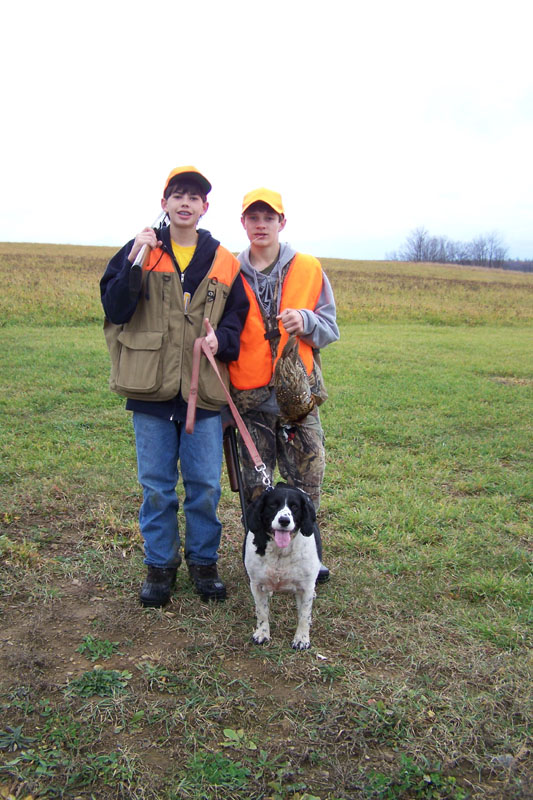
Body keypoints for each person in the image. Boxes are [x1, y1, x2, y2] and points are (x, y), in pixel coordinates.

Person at [100, 166, 249, 607]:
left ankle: (204, 563)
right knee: (157, 487)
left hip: (203, 392)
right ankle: (160, 566)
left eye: (194, 197)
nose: (186, 203)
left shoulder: (225, 261)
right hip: (150, 391)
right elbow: (115, 306)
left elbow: (238, 321)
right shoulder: (141, 249)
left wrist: (221, 341)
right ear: (164, 203)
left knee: (204, 486)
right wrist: (135, 258)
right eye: (178, 195)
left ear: (205, 207)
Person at [229, 188, 339, 583]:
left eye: (269, 218)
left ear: (282, 222)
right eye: (253, 218)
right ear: (243, 223)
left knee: (307, 482)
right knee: (255, 489)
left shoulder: (308, 268)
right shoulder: (228, 270)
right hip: (249, 401)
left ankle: (310, 559)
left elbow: (330, 329)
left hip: (298, 402)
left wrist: (306, 321)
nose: (261, 225)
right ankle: (258, 558)